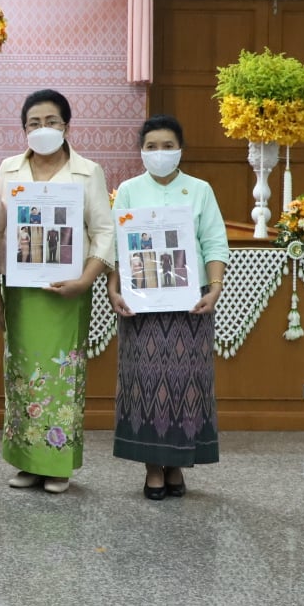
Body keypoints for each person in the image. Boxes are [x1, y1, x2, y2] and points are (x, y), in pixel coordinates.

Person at [0, 89, 115, 494]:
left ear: (67, 126)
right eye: (34, 124)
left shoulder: (87, 172)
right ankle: (26, 459)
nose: (43, 130)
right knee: (22, 373)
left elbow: (104, 232)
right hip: (21, 291)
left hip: (68, 292)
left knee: (62, 372)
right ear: (24, 130)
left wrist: (85, 279)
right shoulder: (8, 170)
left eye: (52, 122)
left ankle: (57, 463)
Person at [109, 114, 228, 500]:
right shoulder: (128, 190)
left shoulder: (200, 190)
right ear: (141, 151)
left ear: (180, 149)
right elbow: (116, 248)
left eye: (167, 146)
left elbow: (214, 242)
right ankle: (152, 469)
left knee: (186, 384)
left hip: (189, 302)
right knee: (144, 384)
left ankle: (178, 463)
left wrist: (215, 288)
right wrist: (114, 290)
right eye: (151, 147)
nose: (159, 153)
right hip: (140, 303)